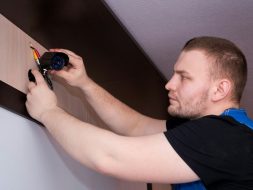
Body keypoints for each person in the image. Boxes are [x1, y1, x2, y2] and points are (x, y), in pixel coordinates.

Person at [26, 36, 253, 190]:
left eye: (184, 77)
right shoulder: (214, 132)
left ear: (220, 89)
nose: (169, 84)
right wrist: (85, 84)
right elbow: (135, 127)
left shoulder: (226, 137)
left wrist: (47, 111)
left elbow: (111, 157)